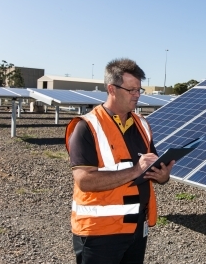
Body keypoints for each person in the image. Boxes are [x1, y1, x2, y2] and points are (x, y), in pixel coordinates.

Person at [65, 58, 174, 264]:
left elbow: (151, 167)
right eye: (131, 90)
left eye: (139, 90)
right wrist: (135, 171)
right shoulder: (87, 127)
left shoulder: (142, 124)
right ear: (111, 89)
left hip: (135, 228)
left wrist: (162, 176)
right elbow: (85, 181)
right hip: (100, 233)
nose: (137, 95)